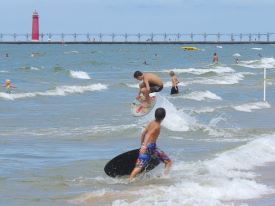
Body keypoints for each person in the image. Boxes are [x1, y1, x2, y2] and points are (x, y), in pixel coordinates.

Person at [129, 108, 172, 181]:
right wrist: (144, 146)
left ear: (155, 115)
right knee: (168, 162)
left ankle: (130, 180)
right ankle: (165, 177)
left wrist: (142, 145)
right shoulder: (157, 126)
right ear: (163, 117)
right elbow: (148, 135)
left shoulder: (151, 122)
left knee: (139, 166)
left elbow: (143, 133)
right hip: (150, 147)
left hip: (150, 147)